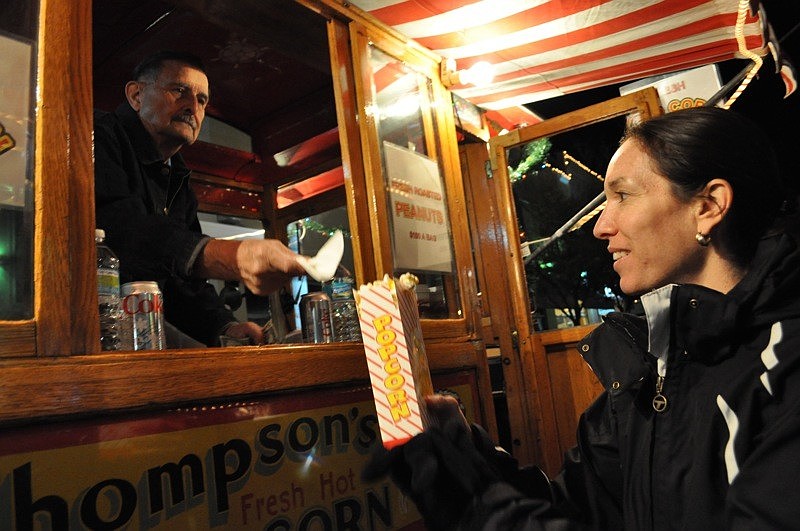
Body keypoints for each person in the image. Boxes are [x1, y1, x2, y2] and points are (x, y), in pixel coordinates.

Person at [364, 106, 800, 529]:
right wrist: (462, 467)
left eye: (622, 195)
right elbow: (579, 510)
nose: (600, 225)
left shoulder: (785, 367)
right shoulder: (651, 366)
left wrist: (487, 513)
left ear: (708, 205)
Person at [94, 51, 306, 347]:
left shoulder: (177, 175)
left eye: (202, 100)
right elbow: (121, 228)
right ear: (136, 95)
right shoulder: (98, 135)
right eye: (179, 90)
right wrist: (233, 255)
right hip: (92, 335)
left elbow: (183, 282)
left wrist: (224, 325)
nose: (192, 107)